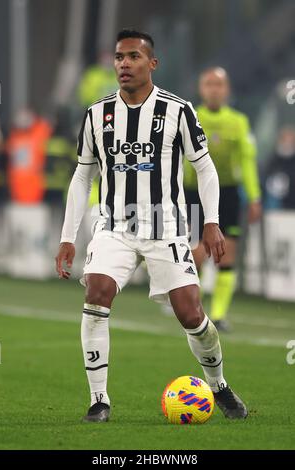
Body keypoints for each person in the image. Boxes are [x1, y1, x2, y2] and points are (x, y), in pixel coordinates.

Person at [55, 30, 247, 423]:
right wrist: (67, 237)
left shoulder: (178, 110)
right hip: (114, 227)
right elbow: (81, 176)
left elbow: (205, 167)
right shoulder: (96, 114)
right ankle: (99, 401)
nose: (124, 64)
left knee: (191, 314)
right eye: (119, 57)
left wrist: (211, 222)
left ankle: (219, 385)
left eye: (133, 57)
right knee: (97, 292)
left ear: (152, 64)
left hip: (167, 227)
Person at [184, 67, 262, 332]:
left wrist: (254, 197)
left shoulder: (238, 122)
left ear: (227, 90)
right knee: (197, 254)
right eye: (209, 84)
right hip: (194, 192)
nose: (214, 89)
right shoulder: (191, 116)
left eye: (219, 84)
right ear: (201, 89)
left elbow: (247, 161)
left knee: (226, 254)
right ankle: (197, 308)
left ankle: (218, 315)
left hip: (227, 192)